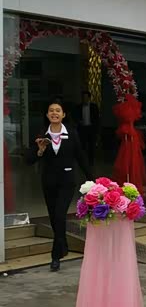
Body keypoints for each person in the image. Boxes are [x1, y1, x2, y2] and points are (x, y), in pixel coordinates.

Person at [26, 100, 92, 271]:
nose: (54, 113)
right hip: (49, 182)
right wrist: (40, 150)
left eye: (58, 110)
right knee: (54, 218)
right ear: (47, 114)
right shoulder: (41, 133)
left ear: (63, 114)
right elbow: (29, 159)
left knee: (60, 216)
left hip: (67, 181)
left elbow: (80, 156)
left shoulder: (71, 132)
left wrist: (92, 178)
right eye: (51, 110)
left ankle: (55, 256)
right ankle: (63, 246)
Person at [76, 91, 100, 169]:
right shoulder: (79, 107)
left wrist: (96, 130)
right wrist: (79, 121)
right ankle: (83, 161)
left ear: (89, 98)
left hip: (91, 129)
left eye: (86, 97)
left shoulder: (94, 107)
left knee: (91, 146)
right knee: (82, 146)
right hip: (82, 129)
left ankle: (91, 162)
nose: (85, 99)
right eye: (83, 97)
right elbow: (75, 116)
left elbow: (97, 118)